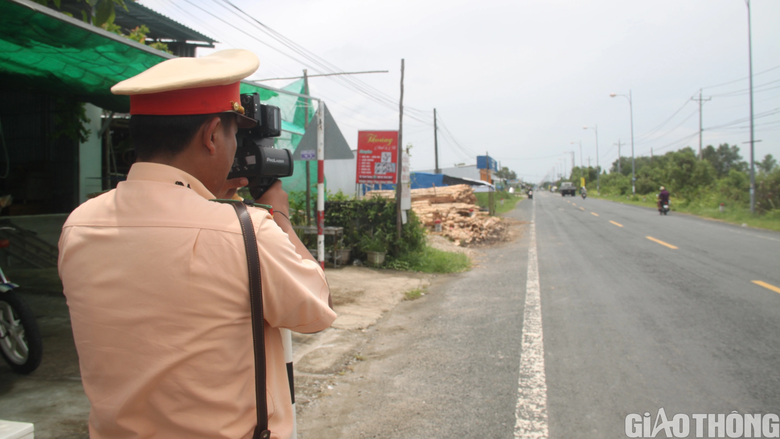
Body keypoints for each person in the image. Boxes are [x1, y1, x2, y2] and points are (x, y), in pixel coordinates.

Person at [58, 50, 336, 439]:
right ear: (210, 136)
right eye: (234, 135)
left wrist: (209, 200)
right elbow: (317, 309)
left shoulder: (79, 224)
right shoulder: (246, 232)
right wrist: (279, 216)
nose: (237, 149)